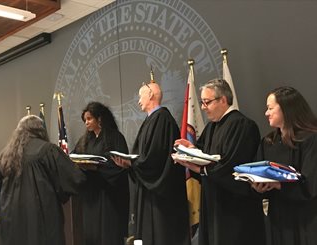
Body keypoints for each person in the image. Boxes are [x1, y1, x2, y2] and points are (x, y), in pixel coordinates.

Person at [174, 79, 266, 245]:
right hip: (213, 201)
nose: (202, 107)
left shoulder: (242, 125)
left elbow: (232, 166)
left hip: (235, 207)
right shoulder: (211, 127)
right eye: (202, 102)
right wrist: (190, 149)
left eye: (207, 102)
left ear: (223, 100)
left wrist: (203, 170)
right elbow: (204, 155)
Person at [112, 82, 191, 245]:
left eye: (141, 96)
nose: (138, 100)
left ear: (151, 95)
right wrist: (131, 163)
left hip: (161, 196)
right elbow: (143, 156)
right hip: (148, 191)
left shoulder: (162, 120)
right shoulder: (151, 120)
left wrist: (132, 163)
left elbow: (154, 159)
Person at [0, 115, 85, 245]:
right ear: (40, 130)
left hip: (11, 225)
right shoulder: (48, 150)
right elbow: (76, 179)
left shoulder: (6, 155)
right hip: (42, 224)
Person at [251, 86, 317, 245]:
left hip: (306, 220)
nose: (266, 113)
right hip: (278, 220)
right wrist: (258, 187)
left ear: (287, 109)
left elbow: (310, 186)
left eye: (270, 108)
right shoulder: (268, 142)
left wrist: (278, 184)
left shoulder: (310, 140)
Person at [73, 101, 129, 245]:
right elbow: (75, 156)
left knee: (108, 234)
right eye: (85, 120)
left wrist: (98, 167)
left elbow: (120, 165)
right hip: (91, 195)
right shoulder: (85, 140)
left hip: (109, 195)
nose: (86, 123)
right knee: (92, 234)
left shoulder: (115, 137)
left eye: (89, 119)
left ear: (100, 119)